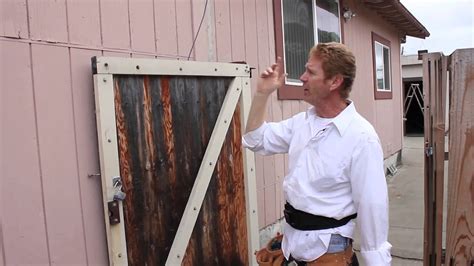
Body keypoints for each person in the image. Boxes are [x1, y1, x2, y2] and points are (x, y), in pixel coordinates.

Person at [243, 42, 392, 265]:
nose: (302, 77)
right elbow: (256, 139)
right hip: (291, 247)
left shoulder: (361, 137)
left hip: (328, 254)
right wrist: (262, 93)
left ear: (335, 81)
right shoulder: (302, 123)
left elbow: (373, 208)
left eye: (311, 72)